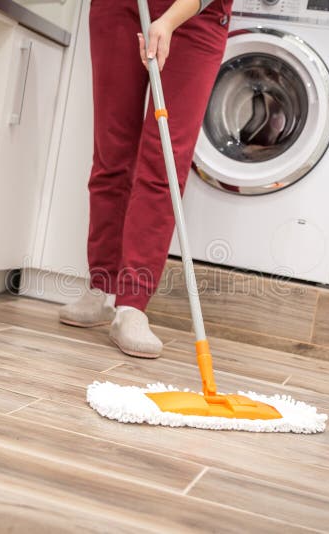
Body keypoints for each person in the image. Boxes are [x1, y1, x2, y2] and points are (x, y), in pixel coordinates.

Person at [59, 0, 232, 358]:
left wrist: (168, 20)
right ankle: (103, 287)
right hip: (120, 8)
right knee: (112, 151)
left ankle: (132, 305)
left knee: (164, 163)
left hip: (196, 16)